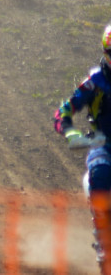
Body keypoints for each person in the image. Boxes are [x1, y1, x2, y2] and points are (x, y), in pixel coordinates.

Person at [54, 22, 111, 268]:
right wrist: (70, 132)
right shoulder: (95, 82)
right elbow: (64, 110)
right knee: (100, 175)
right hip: (104, 143)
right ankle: (103, 241)